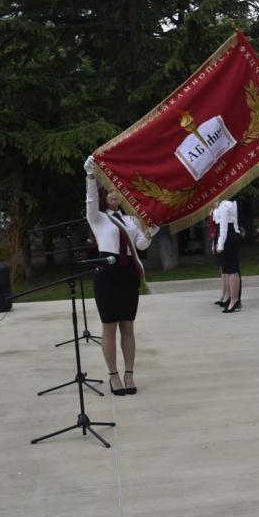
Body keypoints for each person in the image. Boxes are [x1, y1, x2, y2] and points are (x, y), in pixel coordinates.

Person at [84, 156, 158, 396]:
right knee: (109, 328)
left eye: (118, 192)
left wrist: (150, 233)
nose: (115, 195)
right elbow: (91, 200)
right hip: (107, 274)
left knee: (128, 326)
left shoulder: (131, 219)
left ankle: (129, 373)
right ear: (105, 196)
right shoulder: (98, 218)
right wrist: (90, 176)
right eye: (111, 192)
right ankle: (113, 375)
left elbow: (141, 245)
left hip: (127, 274)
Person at [213, 199, 242, 313]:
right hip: (231, 234)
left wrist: (220, 245)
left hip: (227, 236)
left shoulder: (225, 205)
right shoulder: (230, 203)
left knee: (231, 270)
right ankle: (235, 299)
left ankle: (234, 300)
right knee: (233, 270)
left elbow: (223, 227)